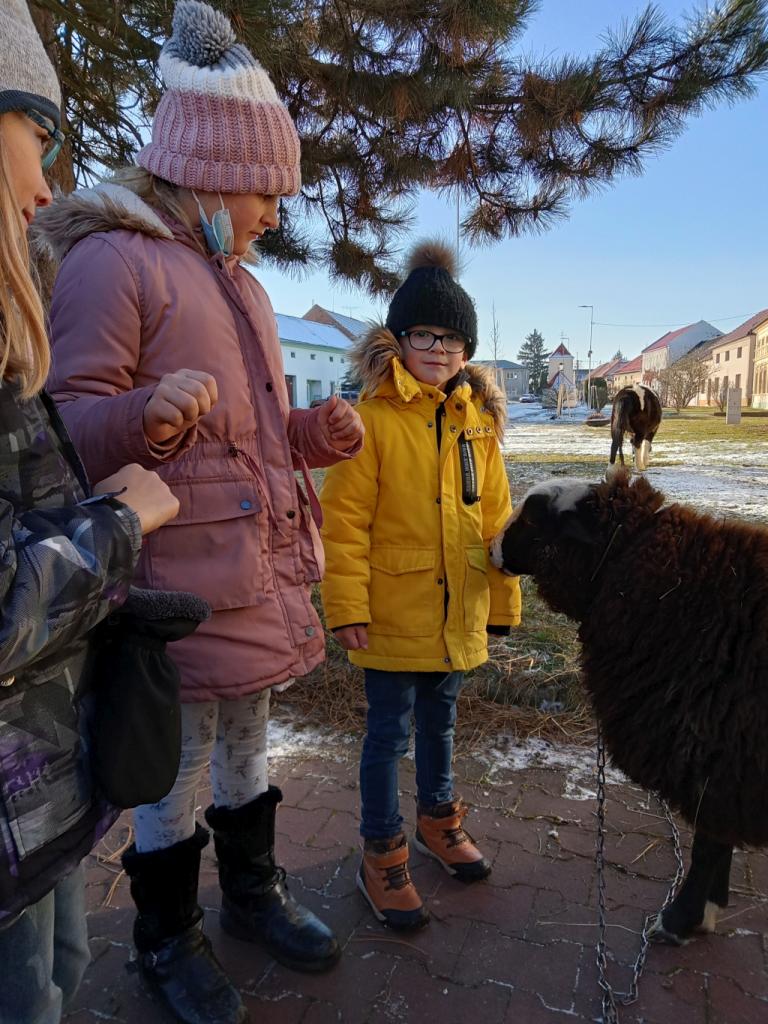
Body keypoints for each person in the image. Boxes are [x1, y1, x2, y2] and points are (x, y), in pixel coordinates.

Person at [38, 3, 364, 1022]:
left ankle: (252, 892)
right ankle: (166, 935)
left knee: (248, 738)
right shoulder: (113, 263)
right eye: (268, 192)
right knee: (174, 761)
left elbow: (252, 439)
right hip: (172, 584)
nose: (274, 215)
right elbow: (66, 427)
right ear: (213, 171)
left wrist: (311, 435)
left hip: (253, 571)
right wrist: (142, 415)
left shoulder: (246, 290)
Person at [0, 4, 181, 1021]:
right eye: (36, 138)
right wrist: (119, 525)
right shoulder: (111, 270)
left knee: (62, 970)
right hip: (12, 794)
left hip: (38, 776)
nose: (47, 185)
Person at [320, 241, 521, 930]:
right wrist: (346, 606)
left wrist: (502, 601)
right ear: (398, 340)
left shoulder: (478, 425)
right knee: (387, 736)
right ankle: (382, 850)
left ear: (467, 349)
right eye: (424, 336)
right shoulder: (371, 420)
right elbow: (343, 523)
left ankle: (438, 819)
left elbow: (496, 521)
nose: (438, 350)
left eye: (452, 338)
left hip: (457, 611)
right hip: (389, 612)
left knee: (442, 724)